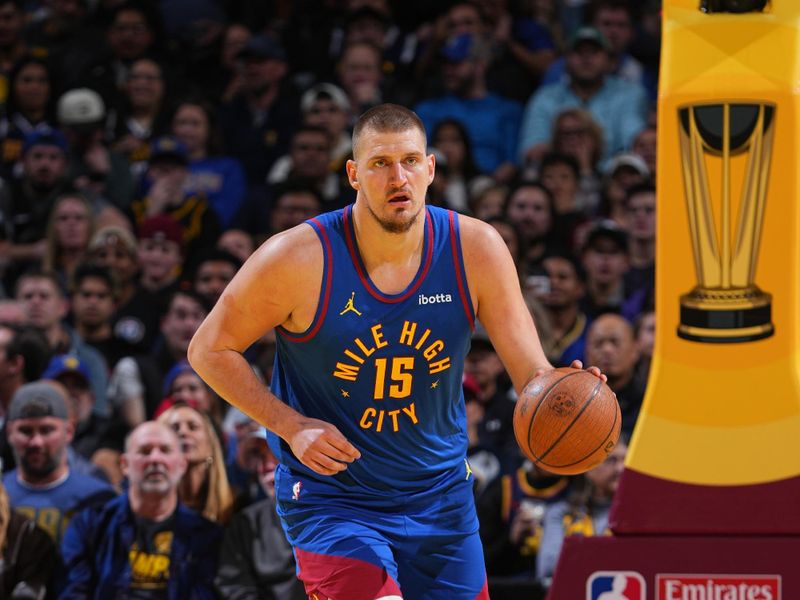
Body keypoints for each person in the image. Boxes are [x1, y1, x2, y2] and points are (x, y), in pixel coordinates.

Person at [188, 103, 603, 599]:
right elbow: (209, 349)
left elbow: (531, 373)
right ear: (354, 174)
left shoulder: (477, 248)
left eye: (409, 161)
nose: (397, 177)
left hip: (441, 496)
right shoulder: (298, 257)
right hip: (334, 499)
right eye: (380, 163)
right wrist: (289, 425)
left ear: (431, 168)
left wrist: (563, 397)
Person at [60, 420, 223, 598]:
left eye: (165, 450)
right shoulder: (90, 525)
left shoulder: (206, 535)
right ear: (124, 465)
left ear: (182, 464)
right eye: (144, 451)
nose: (155, 459)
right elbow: (73, 591)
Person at [2, 381, 115, 547]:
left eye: (46, 430)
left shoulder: (97, 498)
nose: (36, 442)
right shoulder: (1, 493)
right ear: (9, 433)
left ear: (69, 431)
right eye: (26, 431)